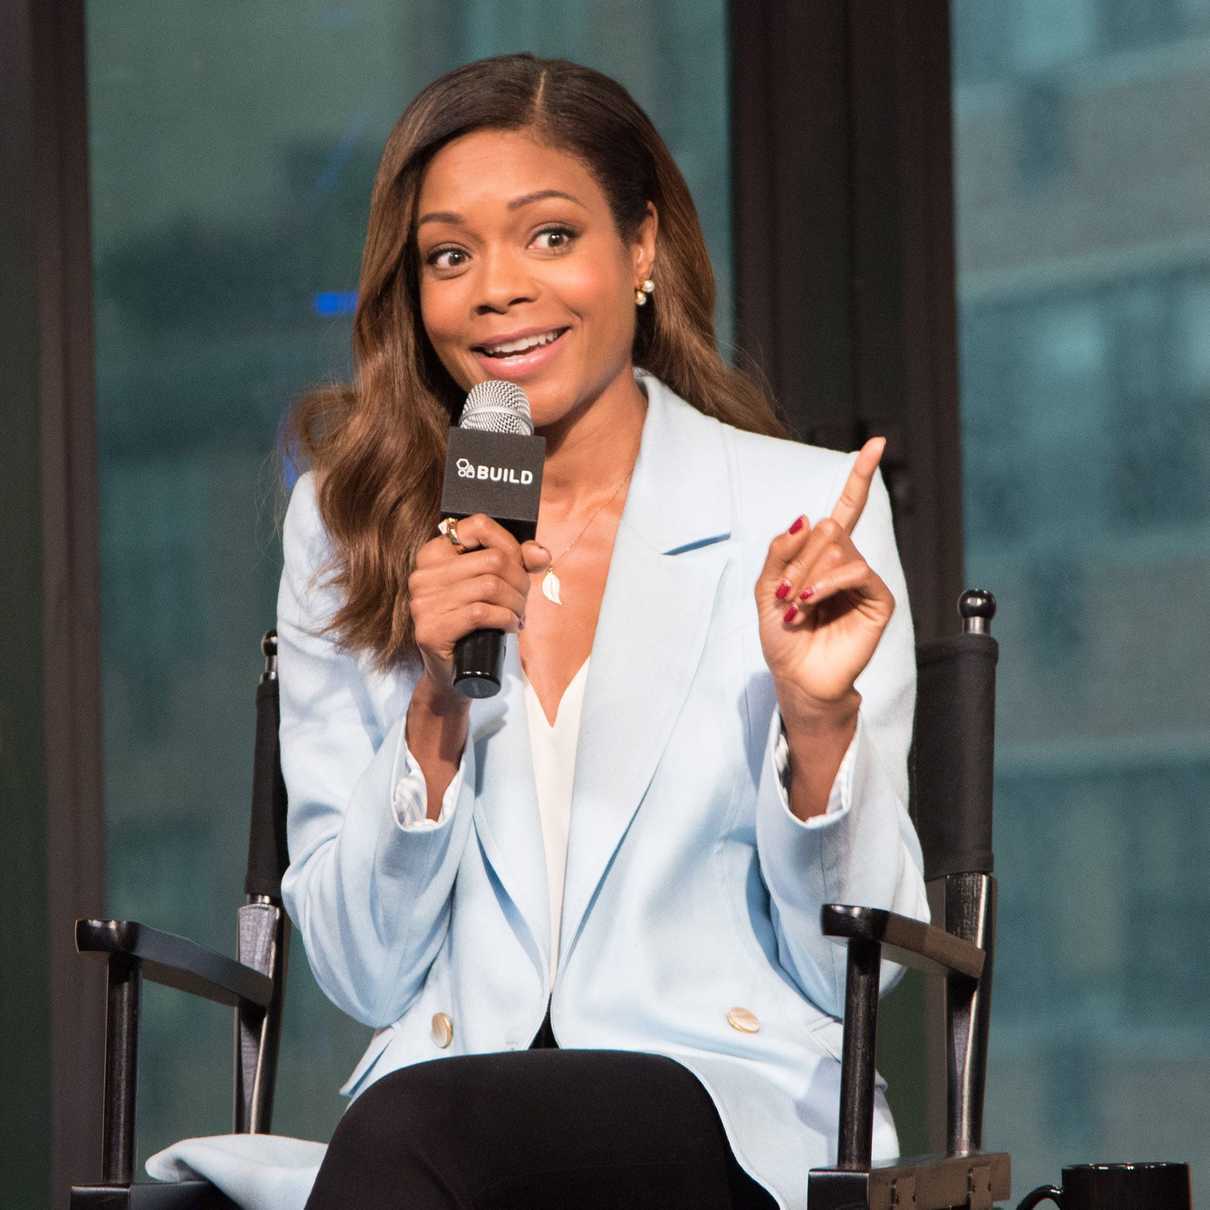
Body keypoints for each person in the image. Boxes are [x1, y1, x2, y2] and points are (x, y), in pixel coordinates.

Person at [277, 52, 928, 1210]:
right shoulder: (348, 524)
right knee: (424, 1126)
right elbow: (359, 969)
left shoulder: (801, 512)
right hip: (441, 1104)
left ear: (640, 252)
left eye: (549, 236)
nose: (494, 290)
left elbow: (850, 974)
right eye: (448, 255)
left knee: (419, 1130)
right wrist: (436, 705)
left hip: (710, 1101)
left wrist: (817, 725)